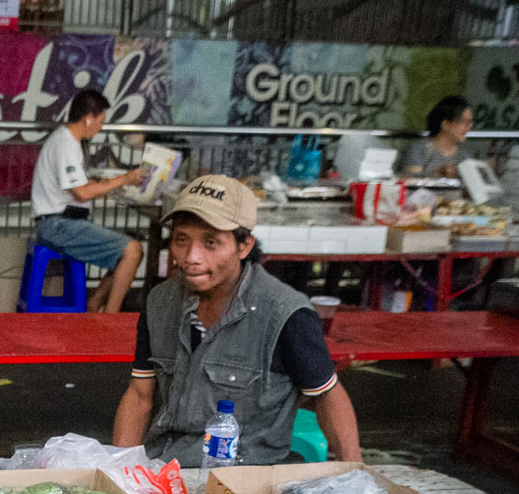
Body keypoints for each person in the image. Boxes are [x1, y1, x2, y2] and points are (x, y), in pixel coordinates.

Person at [112, 175, 362, 466]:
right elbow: (140, 395)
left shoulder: (285, 313)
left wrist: (353, 474)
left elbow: (327, 394)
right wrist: (118, 469)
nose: (191, 257)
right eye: (182, 240)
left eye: (211, 243)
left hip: (244, 474)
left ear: (244, 246)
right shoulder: (161, 301)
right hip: (164, 464)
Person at [30, 89, 145, 313]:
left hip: (60, 222)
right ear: (89, 118)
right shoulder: (66, 144)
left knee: (127, 251)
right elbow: (81, 193)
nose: (101, 127)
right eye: (101, 121)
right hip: (58, 225)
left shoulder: (66, 140)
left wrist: (102, 182)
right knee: (132, 251)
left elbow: (78, 185)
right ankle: (110, 317)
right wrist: (123, 179)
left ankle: (94, 304)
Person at [401, 95, 473, 178]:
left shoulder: (465, 157)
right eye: (464, 121)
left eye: (470, 122)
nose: (469, 126)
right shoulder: (420, 149)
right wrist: (438, 173)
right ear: (445, 124)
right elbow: (411, 182)